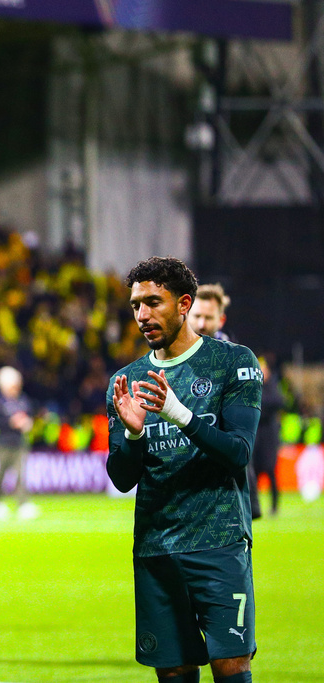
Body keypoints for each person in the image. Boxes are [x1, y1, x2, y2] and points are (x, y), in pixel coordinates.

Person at [106, 256, 261, 683]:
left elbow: (238, 453)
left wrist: (179, 413)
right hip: (156, 549)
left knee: (230, 666)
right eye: (136, 305)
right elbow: (121, 479)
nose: (142, 315)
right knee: (174, 671)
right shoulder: (127, 379)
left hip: (219, 542)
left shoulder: (233, 362)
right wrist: (135, 435)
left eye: (153, 302)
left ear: (184, 304)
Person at [187, 284, 263, 519]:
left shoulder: (236, 358)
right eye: (197, 316)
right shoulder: (175, 353)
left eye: (208, 317)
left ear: (221, 320)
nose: (201, 324)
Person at [0, 366, 36, 521]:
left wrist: (27, 422)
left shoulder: (22, 399)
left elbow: (29, 414)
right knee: (0, 475)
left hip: (19, 442)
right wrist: (10, 422)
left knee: (21, 475)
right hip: (3, 443)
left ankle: (22, 504)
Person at [252, 355, 283, 516]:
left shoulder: (272, 386)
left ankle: (275, 506)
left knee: (271, 470)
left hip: (269, 436)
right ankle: (254, 505)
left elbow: (278, 402)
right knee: (255, 470)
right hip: (257, 434)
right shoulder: (254, 385)